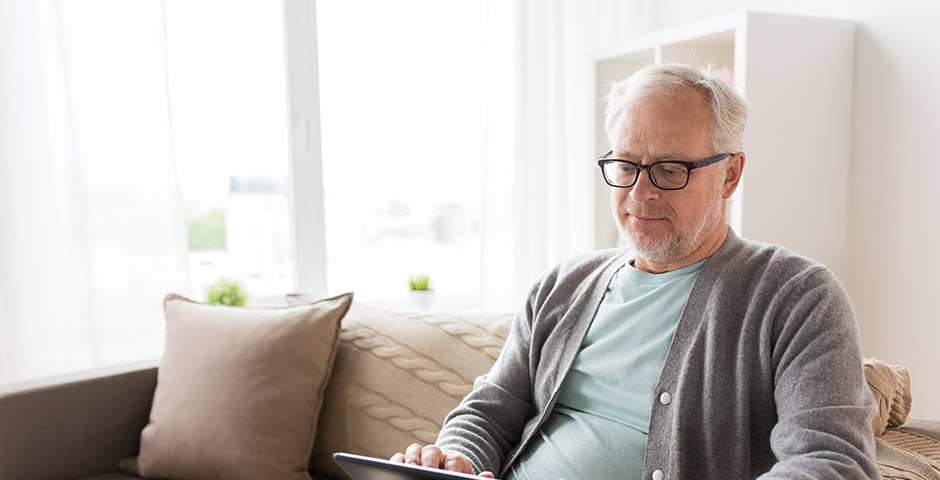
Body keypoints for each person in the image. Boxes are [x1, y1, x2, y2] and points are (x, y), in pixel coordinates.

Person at [391, 63, 881, 479]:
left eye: (670, 170)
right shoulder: (563, 285)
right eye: (625, 165)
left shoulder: (795, 295)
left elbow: (833, 461)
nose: (640, 194)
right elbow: (489, 411)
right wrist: (454, 459)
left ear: (730, 174)